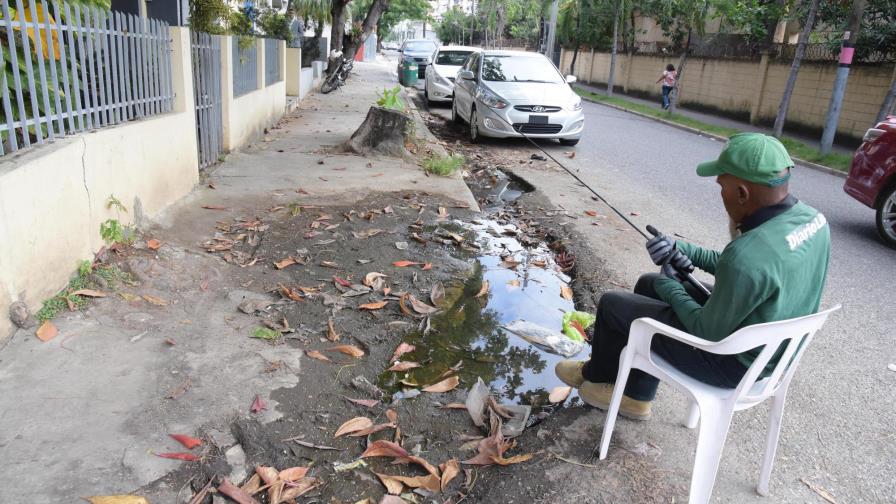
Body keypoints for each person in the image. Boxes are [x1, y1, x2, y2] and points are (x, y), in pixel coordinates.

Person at [555, 133, 831, 420]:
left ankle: (596, 375)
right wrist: (680, 249)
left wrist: (670, 285)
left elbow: (705, 330)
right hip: (768, 349)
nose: (720, 194)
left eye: (721, 186)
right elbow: (739, 269)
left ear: (742, 193)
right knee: (649, 284)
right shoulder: (812, 220)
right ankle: (635, 395)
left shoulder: (748, 255)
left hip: (731, 365)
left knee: (615, 304)